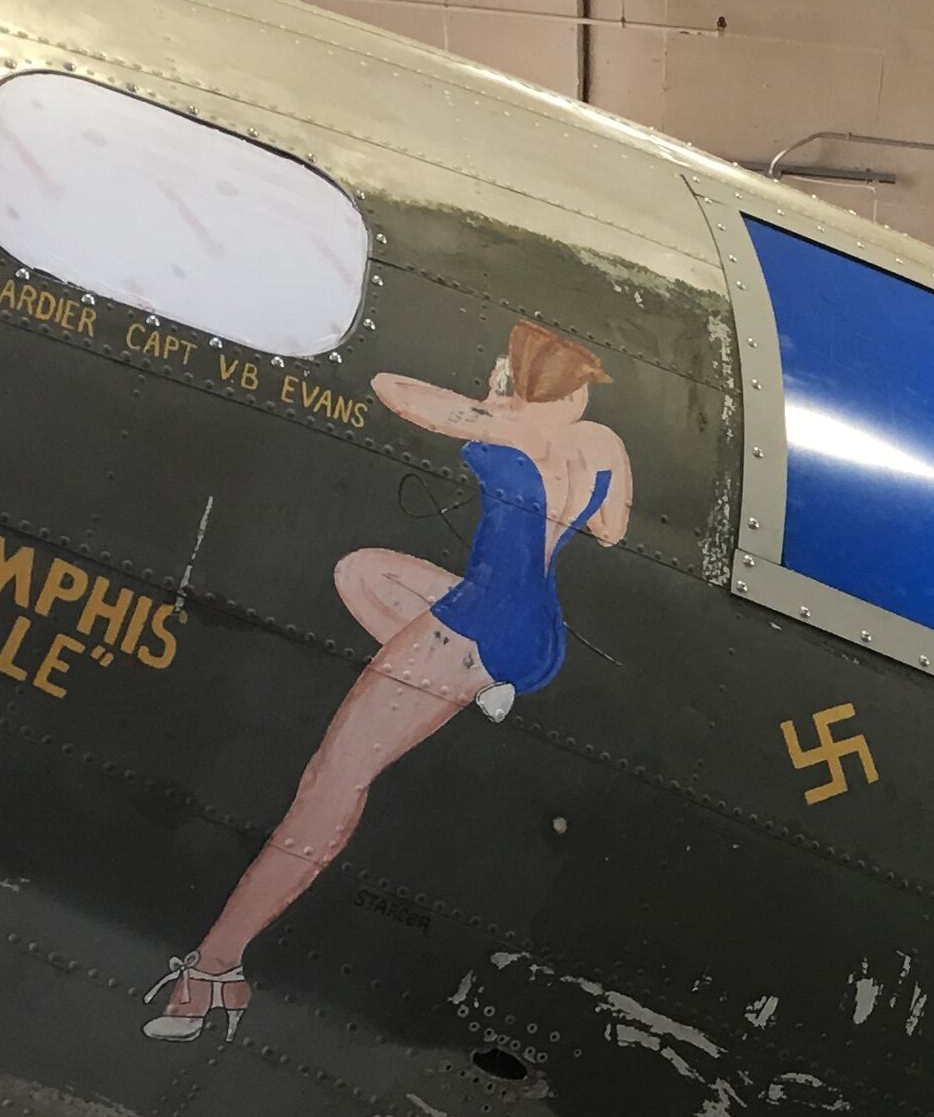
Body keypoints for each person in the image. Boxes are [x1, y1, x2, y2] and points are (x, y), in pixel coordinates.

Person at [148, 320, 633, 1039]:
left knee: (332, 784)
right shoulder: (605, 448)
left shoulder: (508, 426)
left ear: (523, 381)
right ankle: (484, 685)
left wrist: (494, 404)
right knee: (363, 573)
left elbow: (390, 389)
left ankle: (214, 968)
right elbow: (612, 531)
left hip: (464, 632)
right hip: (534, 636)